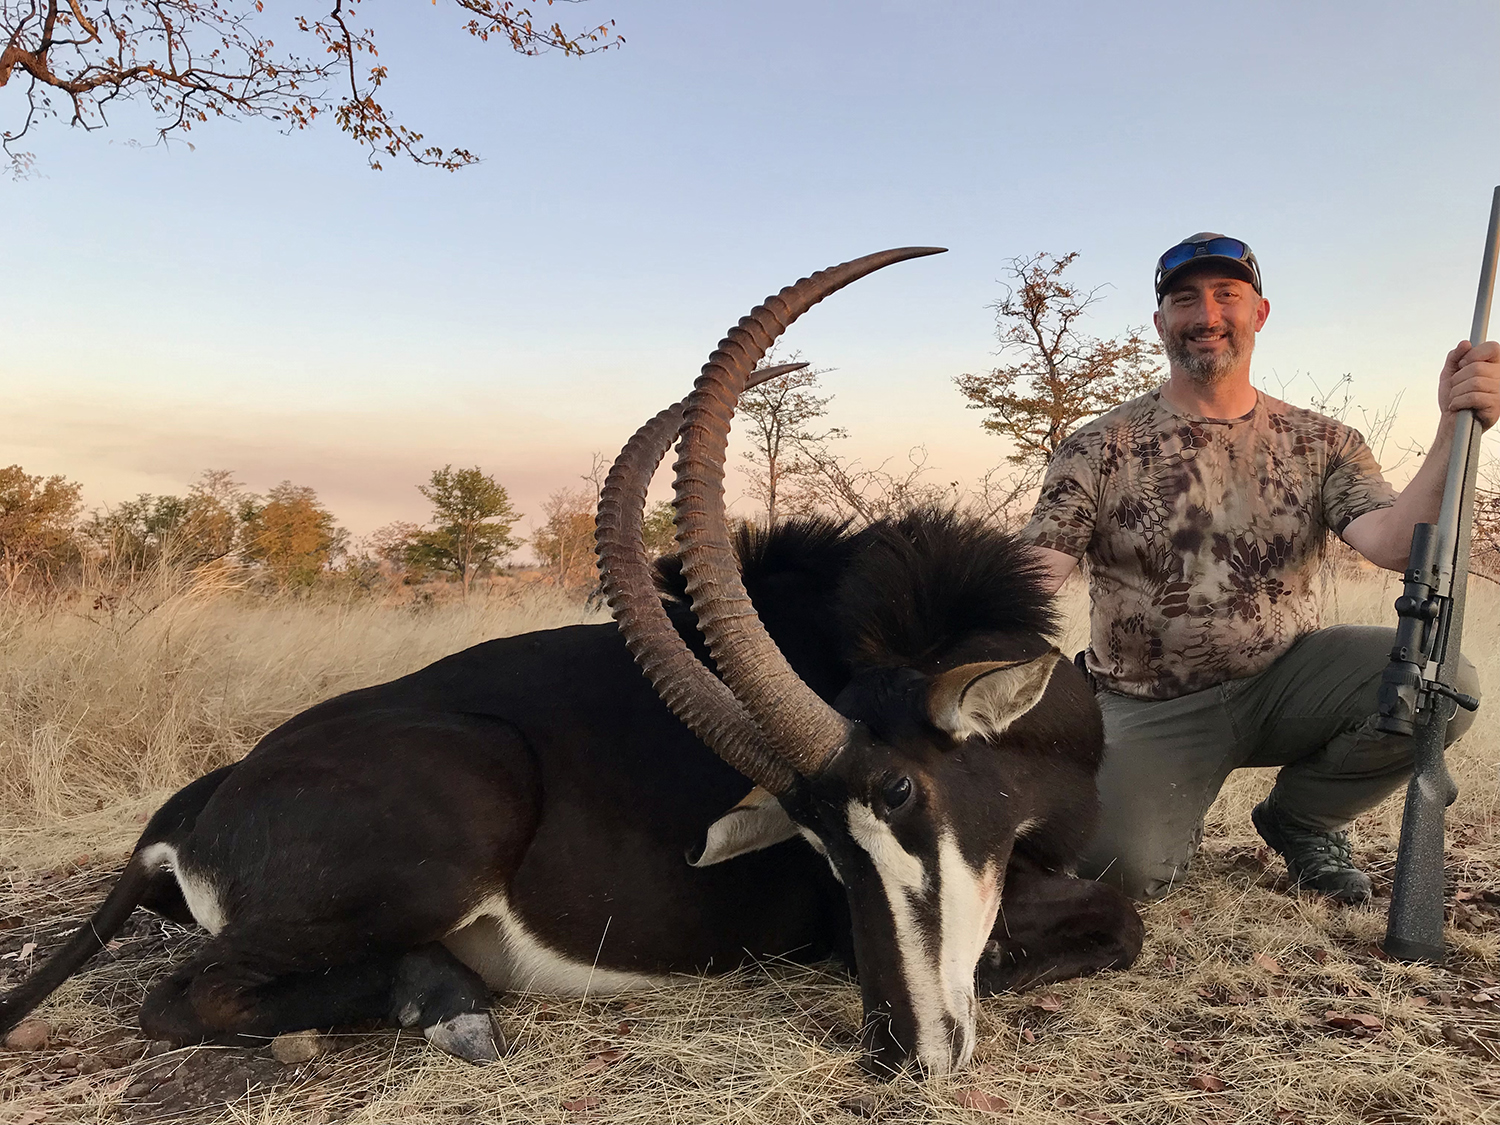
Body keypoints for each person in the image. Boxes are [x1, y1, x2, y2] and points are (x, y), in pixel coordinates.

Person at [1021, 233, 1500, 904]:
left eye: (1227, 296)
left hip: (1287, 682)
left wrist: (1454, 426)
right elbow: (1033, 573)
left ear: (1260, 313)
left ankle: (1303, 820)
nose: (1206, 314)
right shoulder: (1098, 445)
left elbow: (1394, 543)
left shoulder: (1325, 441)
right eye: (1184, 299)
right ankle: (1165, 811)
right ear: (1161, 323)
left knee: (1442, 681)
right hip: (1149, 702)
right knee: (1113, 872)